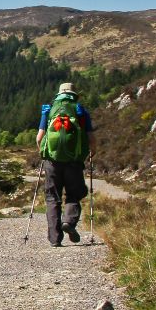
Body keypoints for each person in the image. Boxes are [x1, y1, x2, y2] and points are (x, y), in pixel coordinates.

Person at [35, 82, 95, 247]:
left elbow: (39, 138)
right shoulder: (80, 110)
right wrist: (92, 152)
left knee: (52, 197)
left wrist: (43, 153)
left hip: (51, 162)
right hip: (74, 162)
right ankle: (69, 221)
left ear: (59, 93)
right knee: (74, 194)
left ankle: (55, 238)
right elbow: (91, 138)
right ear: (74, 94)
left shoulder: (49, 110)